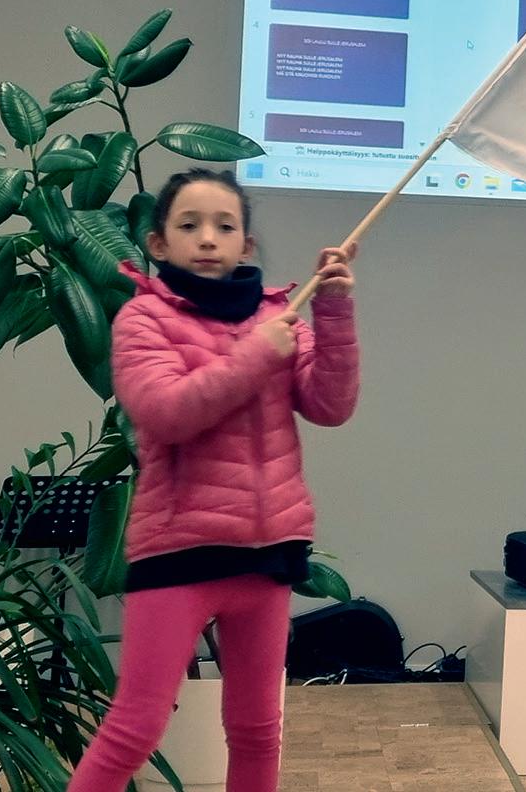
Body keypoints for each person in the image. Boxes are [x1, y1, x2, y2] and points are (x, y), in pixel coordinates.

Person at [67, 167, 360, 792]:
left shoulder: (282, 316)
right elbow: (167, 414)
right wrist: (256, 354)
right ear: (158, 243)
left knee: (258, 732)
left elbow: (331, 406)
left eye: (225, 227)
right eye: (190, 225)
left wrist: (333, 310)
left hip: (267, 554)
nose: (208, 238)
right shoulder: (143, 319)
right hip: (179, 554)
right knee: (135, 728)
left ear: (245, 245)